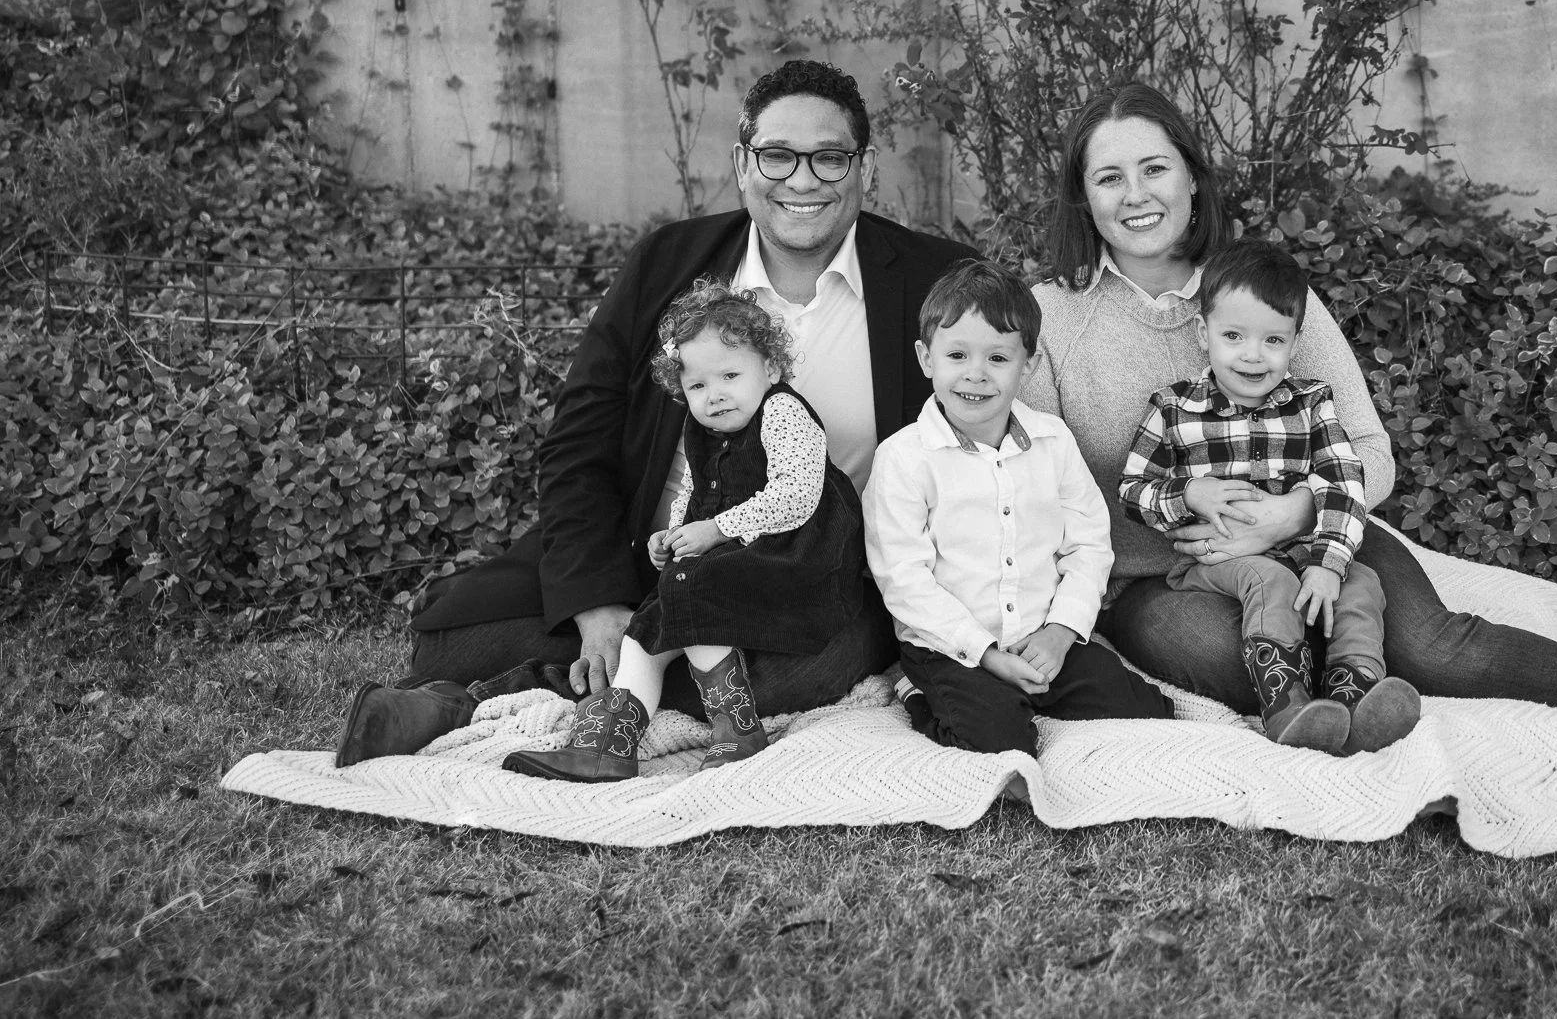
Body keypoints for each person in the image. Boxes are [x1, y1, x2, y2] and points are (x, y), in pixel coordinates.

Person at [1019, 82, 1557, 798]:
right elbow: (1037, 487)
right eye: (1109, 176)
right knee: (1235, 649)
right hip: (1160, 576)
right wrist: (1189, 515)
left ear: (1192, 179)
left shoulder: (1264, 290)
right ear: (1082, 197)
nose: (1137, 194)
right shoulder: (1052, 317)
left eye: (1155, 167)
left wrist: (1292, 515)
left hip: (1321, 533)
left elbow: (1369, 449)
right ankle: (1343, 698)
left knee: (1432, 643)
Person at [337, 59, 977, 767]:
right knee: (455, 630)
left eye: (830, 157)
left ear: (866, 168)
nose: (802, 181)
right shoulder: (668, 261)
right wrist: (598, 603)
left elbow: (981, 450)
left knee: (801, 671)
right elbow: (578, 441)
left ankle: (485, 698)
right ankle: (555, 673)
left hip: (804, 574)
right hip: (653, 551)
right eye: (777, 156)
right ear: (742, 163)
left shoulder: (935, 281)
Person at [502, 283, 864, 781]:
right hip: (727, 555)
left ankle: (737, 729)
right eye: (697, 386)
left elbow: (796, 495)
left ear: (771, 369)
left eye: (730, 376)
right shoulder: (704, 430)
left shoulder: (783, 412)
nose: (714, 395)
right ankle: (609, 746)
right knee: (645, 630)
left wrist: (715, 529)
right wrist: (673, 535)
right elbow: (692, 493)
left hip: (796, 556)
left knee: (693, 596)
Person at [1120, 238, 1422, 756]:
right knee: (1270, 578)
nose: (1253, 355)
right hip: (1213, 563)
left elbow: (1344, 481)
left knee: (1361, 583)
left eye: (1273, 340)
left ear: (1294, 342)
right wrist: (1189, 492)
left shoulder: (1311, 404)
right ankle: (1285, 705)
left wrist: (1328, 563)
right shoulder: (1173, 409)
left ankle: (1355, 699)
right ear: (1203, 333)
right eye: (1233, 336)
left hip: (1300, 549)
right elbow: (1132, 489)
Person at [863, 259, 1176, 755]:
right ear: (927, 358)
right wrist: (987, 654)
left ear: (1027, 366)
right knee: (1000, 738)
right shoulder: (903, 458)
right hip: (953, 648)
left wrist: (1061, 632)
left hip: (1040, 636)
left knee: (1148, 710)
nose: (975, 374)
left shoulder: (1053, 441)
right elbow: (904, 579)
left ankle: (1030, 686)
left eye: (997, 358)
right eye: (957, 355)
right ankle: (919, 694)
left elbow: (1089, 544)